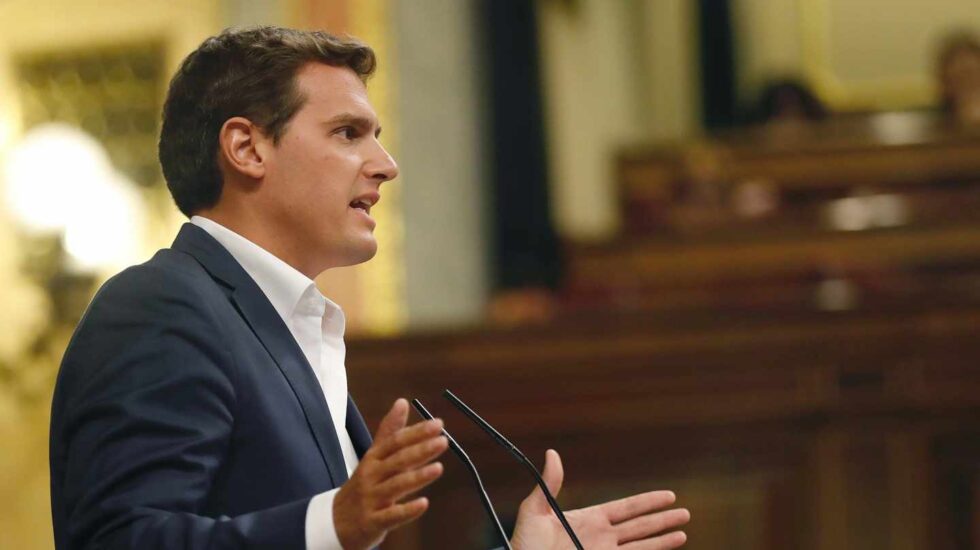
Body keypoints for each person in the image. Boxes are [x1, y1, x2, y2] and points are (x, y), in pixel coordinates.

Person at [49, 26, 690, 549]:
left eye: (376, 136)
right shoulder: (160, 309)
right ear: (246, 148)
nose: (385, 165)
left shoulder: (291, 326)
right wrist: (331, 523)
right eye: (348, 133)